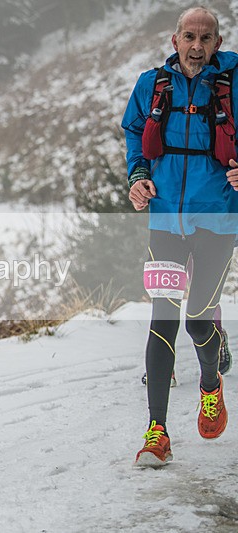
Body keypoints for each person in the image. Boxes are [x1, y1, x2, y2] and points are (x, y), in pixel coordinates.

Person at [122, 6, 238, 467]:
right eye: (189, 36)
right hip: (166, 219)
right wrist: (137, 175)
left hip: (218, 221)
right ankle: (157, 432)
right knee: (163, 318)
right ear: (175, 41)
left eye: (205, 38)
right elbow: (134, 133)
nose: (196, 46)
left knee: (197, 321)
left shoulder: (233, 84)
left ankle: (211, 385)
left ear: (217, 43)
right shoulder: (152, 85)